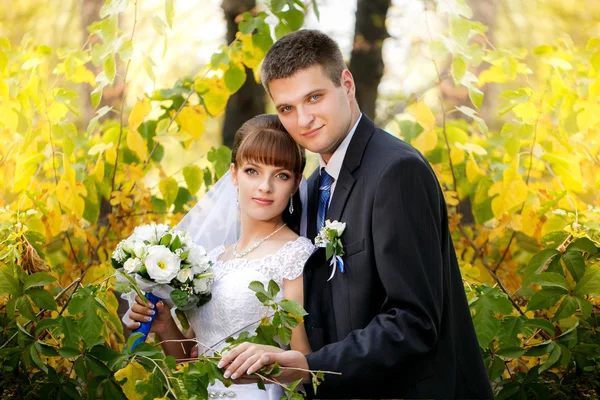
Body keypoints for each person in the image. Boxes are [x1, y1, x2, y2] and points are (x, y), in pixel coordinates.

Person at [218, 29, 493, 399]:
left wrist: (308, 366)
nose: (303, 120)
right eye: (287, 108)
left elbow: (414, 322)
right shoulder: (313, 188)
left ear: (346, 84)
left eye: (314, 97)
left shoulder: (396, 171)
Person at [125, 115, 314, 399]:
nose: (265, 186)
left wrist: (272, 356)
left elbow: (306, 366)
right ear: (234, 174)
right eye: (253, 171)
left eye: (281, 175)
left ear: (296, 183)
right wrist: (165, 326)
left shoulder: (295, 255)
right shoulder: (213, 258)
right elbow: (190, 360)